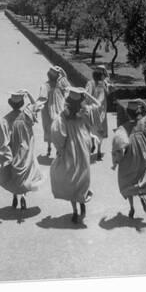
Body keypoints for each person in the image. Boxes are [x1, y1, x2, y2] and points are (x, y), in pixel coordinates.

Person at [50, 87, 101, 223]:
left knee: (71, 176)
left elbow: (58, 133)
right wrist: (87, 94)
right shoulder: (84, 111)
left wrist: (60, 148)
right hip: (83, 144)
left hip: (70, 146)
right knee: (83, 174)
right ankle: (82, 200)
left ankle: (74, 211)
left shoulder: (63, 115)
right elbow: (98, 106)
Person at [111, 99, 146, 218]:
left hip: (131, 156)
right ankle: (141, 193)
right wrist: (142, 102)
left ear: (127, 113)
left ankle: (132, 208)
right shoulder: (143, 121)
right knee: (142, 175)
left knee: (128, 179)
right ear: (138, 113)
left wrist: (115, 162)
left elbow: (119, 147)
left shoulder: (123, 128)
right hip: (143, 154)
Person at [0, 90, 44, 210]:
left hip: (13, 150)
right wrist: (28, 93)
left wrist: (3, 157)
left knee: (13, 174)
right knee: (26, 174)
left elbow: (3, 141)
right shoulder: (27, 115)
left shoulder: (5, 120)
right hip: (25, 151)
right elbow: (37, 104)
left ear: (10, 103)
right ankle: (23, 197)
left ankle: (15, 195)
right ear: (22, 104)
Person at [38, 66, 70, 157]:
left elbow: (41, 99)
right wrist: (61, 69)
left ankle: (49, 148)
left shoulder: (47, 85)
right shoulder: (59, 83)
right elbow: (65, 78)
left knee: (49, 128)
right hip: (57, 110)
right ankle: (56, 148)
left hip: (49, 110)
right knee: (57, 129)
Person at [85, 65, 112, 161]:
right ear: (101, 76)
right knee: (101, 130)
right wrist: (105, 70)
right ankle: (99, 151)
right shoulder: (103, 84)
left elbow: (86, 95)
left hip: (91, 110)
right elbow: (108, 93)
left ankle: (93, 144)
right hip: (101, 112)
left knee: (91, 129)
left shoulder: (89, 83)